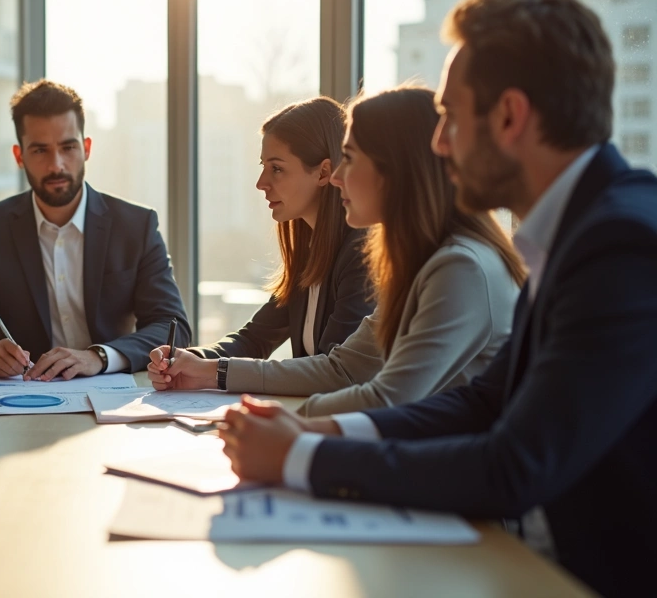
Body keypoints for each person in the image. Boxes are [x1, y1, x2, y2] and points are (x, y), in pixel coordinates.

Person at [219, 0, 657, 597]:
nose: (439, 143)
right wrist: (319, 435)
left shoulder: (620, 244)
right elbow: (485, 401)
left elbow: (513, 465)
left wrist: (302, 459)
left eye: (450, 117)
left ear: (509, 116)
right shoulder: (579, 231)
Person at [151, 86, 525, 417]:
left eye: (351, 158)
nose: (337, 176)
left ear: (395, 171)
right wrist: (204, 367)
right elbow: (345, 370)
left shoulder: (459, 267)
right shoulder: (421, 264)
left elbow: (377, 395)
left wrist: (276, 419)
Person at [0, 80, 190, 380]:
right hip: (25, 400)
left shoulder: (136, 225)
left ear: (87, 148)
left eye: (68, 147)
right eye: (40, 150)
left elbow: (172, 327)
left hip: (113, 395)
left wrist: (99, 357)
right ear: (19, 156)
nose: (56, 165)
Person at [181, 97, 373, 363]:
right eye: (264, 167)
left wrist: (215, 373)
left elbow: (333, 369)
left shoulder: (361, 253)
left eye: (277, 168)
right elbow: (254, 339)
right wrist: (190, 358)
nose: (261, 183)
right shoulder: (309, 254)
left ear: (323, 173)